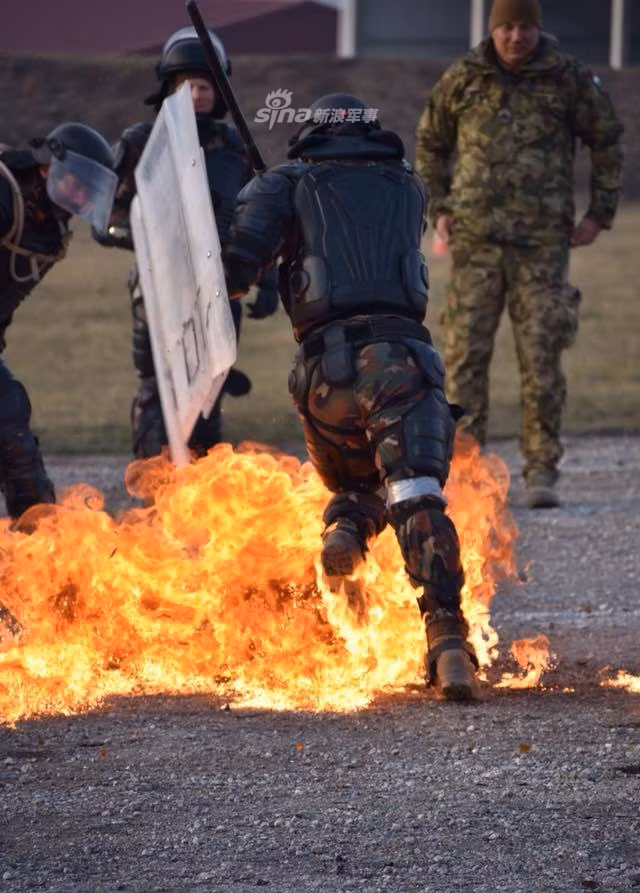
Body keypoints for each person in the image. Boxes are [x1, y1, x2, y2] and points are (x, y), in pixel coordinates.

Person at [223, 93, 479, 701]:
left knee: (358, 485)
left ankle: (346, 529)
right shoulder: (408, 185)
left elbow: (234, 269)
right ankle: (447, 644)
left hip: (320, 376)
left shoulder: (286, 182)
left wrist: (258, 212)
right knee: (415, 491)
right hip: (397, 361)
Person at [415, 0, 624, 508]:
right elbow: (430, 142)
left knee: (542, 358)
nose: (515, 37)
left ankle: (541, 470)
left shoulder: (567, 77)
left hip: (542, 244)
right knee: (465, 360)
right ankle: (466, 476)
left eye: (524, 27)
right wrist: (438, 206)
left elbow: (607, 141)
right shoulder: (464, 77)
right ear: (494, 30)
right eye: (506, 27)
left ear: (537, 29)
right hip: (475, 242)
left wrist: (599, 212)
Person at [95, 26, 279, 459]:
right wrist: (162, 241)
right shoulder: (143, 145)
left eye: (206, 85)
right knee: (159, 390)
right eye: (188, 85)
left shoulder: (236, 148)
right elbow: (107, 220)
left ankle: (201, 496)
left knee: (210, 390)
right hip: (159, 291)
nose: (197, 95)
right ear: (170, 88)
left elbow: (260, 218)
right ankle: (156, 495)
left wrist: (267, 279)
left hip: (220, 288)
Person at [0, 123, 117, 521]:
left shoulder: (52, 229)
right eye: (76, 183)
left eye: (89, 190)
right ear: (51, 166)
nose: (80, 196)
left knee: (15, 436)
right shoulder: (6, 193)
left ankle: (41, 545)